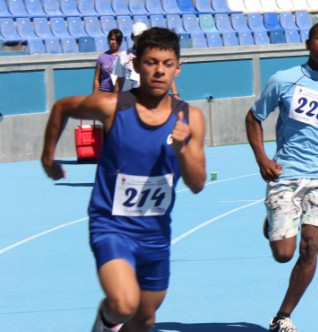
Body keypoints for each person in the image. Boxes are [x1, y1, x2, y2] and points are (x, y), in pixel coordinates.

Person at [40, 27, 206, 332]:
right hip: (111, 226)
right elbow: (62, 107)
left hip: (156, 235)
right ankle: (102, 325)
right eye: (151, 62)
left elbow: (197, 183)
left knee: (144, 319)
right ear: (136, 64)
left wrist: (182, 149)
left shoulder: (190, 118)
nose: (159, 71)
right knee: (123, 304)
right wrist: (47, 158)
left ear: (178, 68)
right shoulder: (112, 107)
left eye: (167, 64)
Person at [244, 21, 318, 332]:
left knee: (311, 245)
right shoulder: (284, 80)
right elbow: (254, 118)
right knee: (284, 254)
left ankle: (283, 315)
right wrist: (262, 159)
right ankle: (274, 222)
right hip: (287, 175)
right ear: (308, 43)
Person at [115, 22, 179, 98]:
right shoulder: (123, 55)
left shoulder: (156, 54)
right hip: (128, 99)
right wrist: (115, 98)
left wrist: (175, 93)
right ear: (133, 38)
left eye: (143, 37)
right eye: (138, 37)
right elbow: (119, 80)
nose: (140, 40)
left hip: (149, 98)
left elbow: (166, 74)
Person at [93, 29, 124, 93]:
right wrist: (95, 95)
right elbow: (96, 79)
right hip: (103, 92)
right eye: (112, 39)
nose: (114, 42)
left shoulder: (124, 56)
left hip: (119, 93)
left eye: (116, 40)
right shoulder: (102, 57)